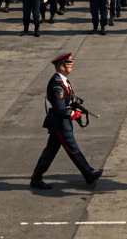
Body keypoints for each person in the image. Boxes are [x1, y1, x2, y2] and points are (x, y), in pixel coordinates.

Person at [30, 53, 102, 189]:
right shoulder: (57, 85)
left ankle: (36, 178)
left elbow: (66, 98)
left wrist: (76, 101)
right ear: (60, 66)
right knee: (72, 148)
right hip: (59, 122)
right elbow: (60, 108)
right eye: (68, 63)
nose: (71, 65)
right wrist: (74, 113)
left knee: (50, 151)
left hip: (60, 122)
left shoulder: (63, 80)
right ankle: (88, 173)